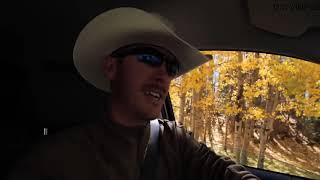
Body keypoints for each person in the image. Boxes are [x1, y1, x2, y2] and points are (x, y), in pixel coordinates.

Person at [7, 7, 259, 180]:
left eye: (171, 67)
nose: (164, 76)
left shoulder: (173, 138)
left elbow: (223, 171)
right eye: (149, 58)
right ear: (111, 67)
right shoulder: (54, 159)